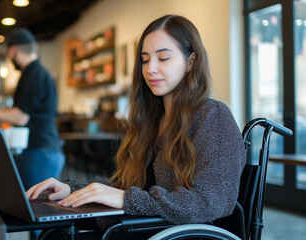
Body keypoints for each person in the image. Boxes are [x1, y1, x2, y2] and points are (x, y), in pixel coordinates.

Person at [26, 14, 247, 239]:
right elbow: (130, 189)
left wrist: (124, 199)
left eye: (163, 58)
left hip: (182, 235)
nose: (150, 68)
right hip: (149, 229)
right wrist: (71, 190)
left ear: (191, 62)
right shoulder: (152, 121)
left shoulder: (213, 115)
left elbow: (211, 202)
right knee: (54, 233)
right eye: (145, 59)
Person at [0, 28, 65, 191]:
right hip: (41, 150)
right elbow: (21, 111)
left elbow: (21, 116)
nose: (9, 58)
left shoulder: (34, 74)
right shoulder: (33, 73)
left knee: (32, 208)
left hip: (40, 152)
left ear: (14, 50)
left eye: (9, 54)